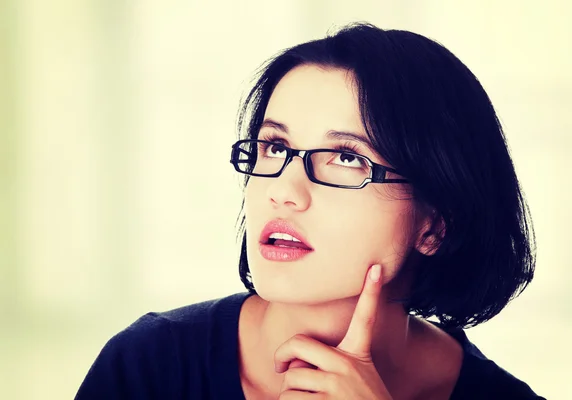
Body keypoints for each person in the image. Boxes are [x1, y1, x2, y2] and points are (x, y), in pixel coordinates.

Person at [75, 22, 545, 399]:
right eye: (274, 146)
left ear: (436, 224)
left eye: (346, 157)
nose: (283, 191)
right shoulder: (149, 366)